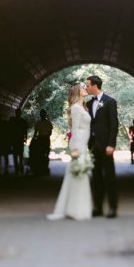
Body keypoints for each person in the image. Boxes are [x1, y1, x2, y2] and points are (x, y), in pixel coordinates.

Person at [47, 83, 93, 220]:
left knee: (81, 175)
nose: (86, 89)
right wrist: (74, 149)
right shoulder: (75, 108)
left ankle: (79, 208)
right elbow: (75, 129)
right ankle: (75, 209)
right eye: (83, 88)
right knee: (78, 174)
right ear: (77, 92)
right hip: (79, 144)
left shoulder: (83, 107)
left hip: (84, 144)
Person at [85, 75, 119, 219]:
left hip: (106, 146)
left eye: (87, 85)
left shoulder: (110, 102)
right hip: (93, 147)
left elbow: (114, 124)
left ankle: (112, 208)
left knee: (109, 177)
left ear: (95, 86)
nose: (86, 88)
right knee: (96, 178)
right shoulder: (88, 103)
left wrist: (111, 144)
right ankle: (98, 207)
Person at [32, 109, 53, 176]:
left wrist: (33, 139)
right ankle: (45, 167)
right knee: (46, 154)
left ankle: (41, 168)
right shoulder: (48, 123)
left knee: (40, 154)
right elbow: (50, 133)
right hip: (46, 139)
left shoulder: (38, 123)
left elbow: (35, 133)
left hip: (40, 139)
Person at [9, 109, 28, 175]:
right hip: (20, 140)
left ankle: (17, 168)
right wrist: (25, 138)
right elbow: (25, 131)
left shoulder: (12, 121)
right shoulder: (23, 121)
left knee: (16, 155)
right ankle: (20, 167)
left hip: (15, 140)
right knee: (20, 155)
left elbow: (10, 130)